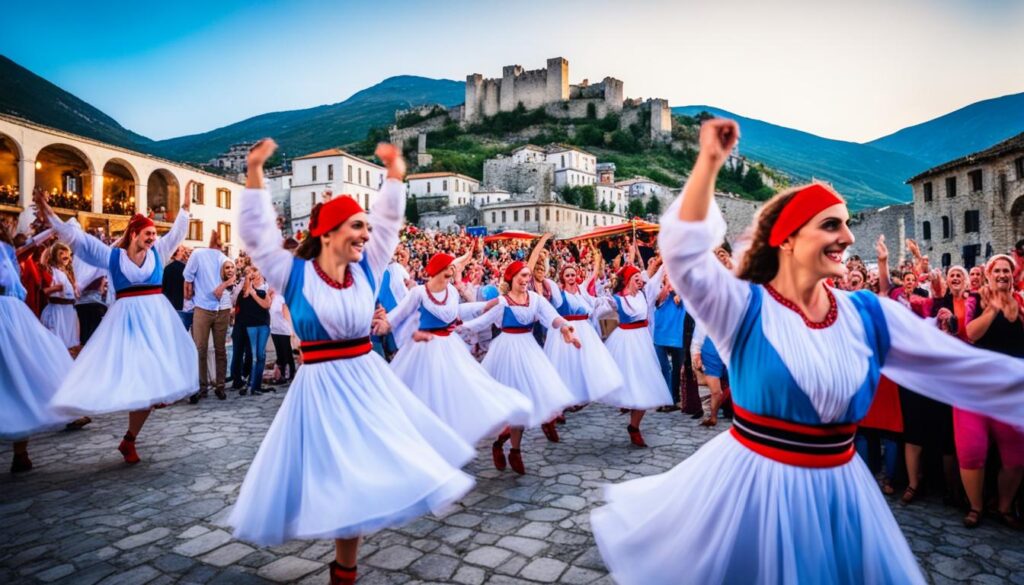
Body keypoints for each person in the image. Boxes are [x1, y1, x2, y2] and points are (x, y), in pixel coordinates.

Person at [590, 118, 1024, 585]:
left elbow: (971, 372)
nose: (849, 236)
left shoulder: (867, 315)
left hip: (842, 490)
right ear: (789, 238)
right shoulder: (745, 305)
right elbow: (684, 253)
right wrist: (708, 165)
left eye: (846, 223)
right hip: (759, 489)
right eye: (831, 224)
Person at [229, 140, 474, 585]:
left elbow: (389, 224)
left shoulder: (369, 269)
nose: (365, 234)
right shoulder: (294, 273)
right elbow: (258, 235)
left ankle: (345, 568)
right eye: (356, 227)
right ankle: (344, 567)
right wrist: (255, 173)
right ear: (327, 233)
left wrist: (395, 175)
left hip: (366, 380)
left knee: (369, 470)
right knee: (340, 478)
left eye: (365, 226)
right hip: (321, 387)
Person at [38, 190, 197, 465]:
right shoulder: (112, 257)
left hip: (156, 321)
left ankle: (130, 440)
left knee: (151, 385)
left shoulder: (158, 252)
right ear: (134, 234)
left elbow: (178, 233)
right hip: (125, 322)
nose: (152, 238)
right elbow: (79, 240)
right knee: (132, 379)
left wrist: (185, 204)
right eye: (147, 234)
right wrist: (49, 213)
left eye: (153, 234)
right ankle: (102, 418)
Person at [384, 251, 533, 444]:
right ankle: (424, 438)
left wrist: (484, 306)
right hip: (423, 349)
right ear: (436, 270)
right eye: (448, 269)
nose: (451, 273)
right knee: (424, 393)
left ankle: (449, 434)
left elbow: (458, 311)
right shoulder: (419, 292)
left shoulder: (452, 292)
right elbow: (398, 314)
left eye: (452, 270)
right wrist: (380, 324)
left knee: (458, 389)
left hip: (449, 346)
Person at [458, 260, 580, 474]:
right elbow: (483, 322)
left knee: (525, 404)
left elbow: (552, 317)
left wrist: (566, 327)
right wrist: (456, 329)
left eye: (528, 276)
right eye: (522, 276)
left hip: (529, 351)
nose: (526, 280)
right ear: (511, 278)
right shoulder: (503, 302)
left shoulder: (535, 299)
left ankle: (514, 449)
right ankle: (498, 443)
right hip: (505, 352)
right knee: (507, 405)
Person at [0, 225, 80, 472]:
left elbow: (27, 248)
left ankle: (21, 452)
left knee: (19, 373)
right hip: (11, 313)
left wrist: (49, 228)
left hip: (12, 314)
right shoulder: (10, 251)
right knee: (15, 374)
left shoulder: (8, 249)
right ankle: (20, 452)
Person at [958, 255, 1024, 529]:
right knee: (972, 450)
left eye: (1006, 270)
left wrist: (1017, 312)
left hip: (1013, 392)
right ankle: (976, 506)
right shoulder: (976, 299)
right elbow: (971, 333)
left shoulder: (1021, 302)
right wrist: (993, 309)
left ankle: (1005, 506)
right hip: (977, 390)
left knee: (1016, 455)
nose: (1002, 274)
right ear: (988, 274)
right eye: (996, 270)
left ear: (1013, 274)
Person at [593, 257, 674, 448]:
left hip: (642, 342)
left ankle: (634, 426)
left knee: (646, 385)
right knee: (624, 379)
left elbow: (656, 278)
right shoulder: (617, 299)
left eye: (640, 277)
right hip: (624, 341)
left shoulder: (645, 294)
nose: (640, 280)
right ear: (628, 280)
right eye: (636, 277)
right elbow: (597, 311)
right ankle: (625, 404)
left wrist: (665, 261)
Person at [543, 259, 624, 410]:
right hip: (567, 331)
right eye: (567, 276)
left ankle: (580, 394)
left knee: (584, 363)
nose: (571, 278)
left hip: (585, 331)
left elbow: (591, 281)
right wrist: (541, 264)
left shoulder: (581, 291)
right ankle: (565, 399)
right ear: (563, 278)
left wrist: (597, 260)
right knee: (567, 365)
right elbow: (546, 281)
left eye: (573, 275)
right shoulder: (559, 295)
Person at [184, 234, 232, 400]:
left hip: (221, 308)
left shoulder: (223, 258)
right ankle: (202, 387)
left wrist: (222, 286)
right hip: (204, 308)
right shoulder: (198, 254)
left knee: (214, 350)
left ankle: (218, 386)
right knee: (202, 349)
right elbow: (188, 277)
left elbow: (232, 274)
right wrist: (188, 294)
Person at [237, 266, 273, 395]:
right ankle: (252, 384)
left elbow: (266, 304)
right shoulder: (248, 285)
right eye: (250, 272)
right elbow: (245, 294)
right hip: (250, 324)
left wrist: (254, 294)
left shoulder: (267, 286)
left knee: (261, 355)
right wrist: (248, 280)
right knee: (253, 356)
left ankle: (256, 385)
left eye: (255, 270)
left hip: (263, 323)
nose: (253, 274)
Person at [40, 241, 80, 349]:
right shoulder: (51, 270)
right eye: (61, 253)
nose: (66, 256)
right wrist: (55, 288)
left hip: (69, 312)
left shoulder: (67, 272)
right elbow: (43, 291)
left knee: (70, 345)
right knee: (57, 344)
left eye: (67, 254)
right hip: (57, 311)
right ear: (55, 255)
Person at [163, 245, 191, 329]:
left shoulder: (167, 268)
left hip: (171, 305)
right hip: (183, 306)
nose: (184, 252)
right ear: (177, 252)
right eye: (182, 251)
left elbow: (164, 289)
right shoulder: (186, 268)